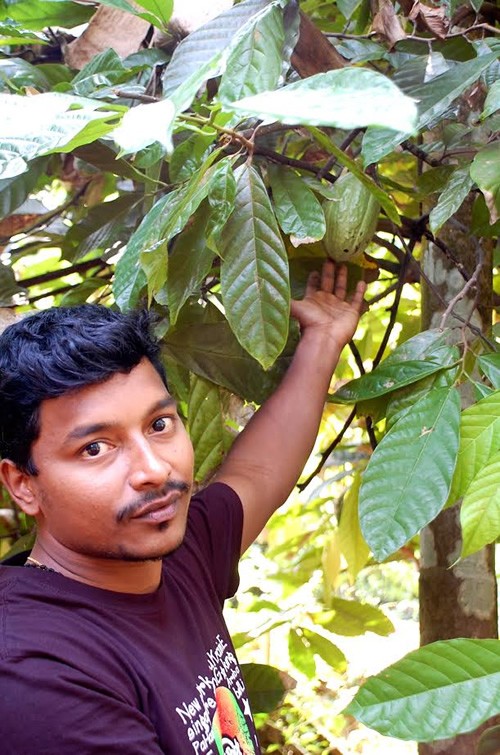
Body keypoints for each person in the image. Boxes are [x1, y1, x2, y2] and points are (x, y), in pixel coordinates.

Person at [0, 260, 365, 755]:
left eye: (159, 425)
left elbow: (256, 474)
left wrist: (323, 338)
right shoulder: (36, 672)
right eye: (95, 448)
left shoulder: (175, 556)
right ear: (22, 484)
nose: (153, 468)